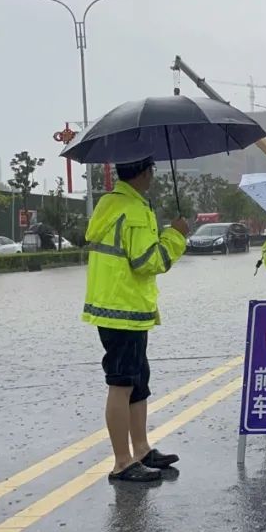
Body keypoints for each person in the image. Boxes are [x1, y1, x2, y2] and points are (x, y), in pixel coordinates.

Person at [82, 157, 189, 482]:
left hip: (120, 307)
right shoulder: (134, 210)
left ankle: (141, 450)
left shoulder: (111, 203)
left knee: (138, 381)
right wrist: (176, 236)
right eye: (152, 170)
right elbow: (148, 261)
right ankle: (122, 461)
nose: (153, 176)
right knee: (122, 383)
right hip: (123, 309)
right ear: (144, 172)